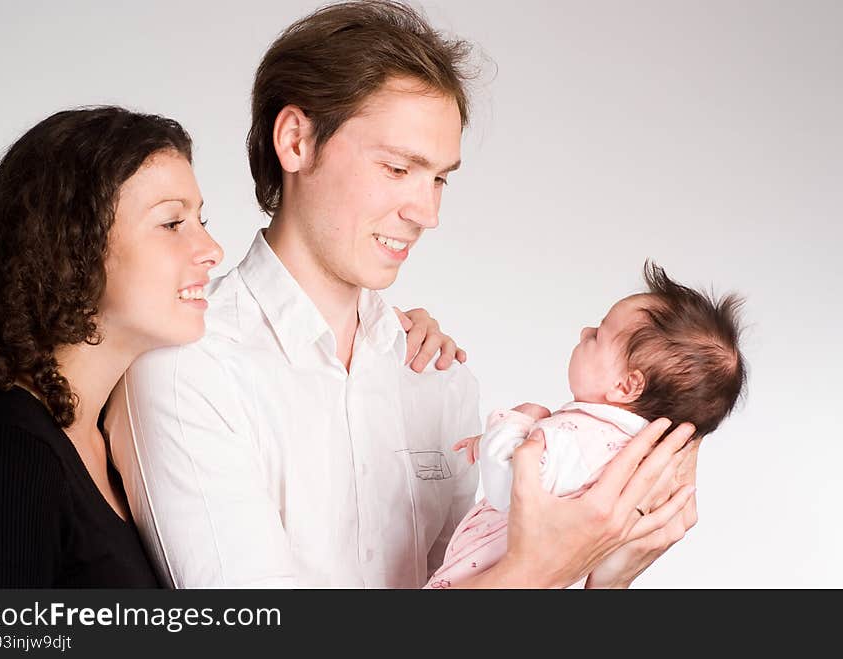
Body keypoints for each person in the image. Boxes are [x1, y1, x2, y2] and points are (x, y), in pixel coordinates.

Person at [106, 0, 699, 589]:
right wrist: (537, 570)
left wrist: (607, 578)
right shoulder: (188, 369)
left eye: (439, 177)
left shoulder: (436, 378)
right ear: (295, 142)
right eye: (397, 169)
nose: (428, 212)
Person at [0, 105, 456, 588]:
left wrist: (383, 339)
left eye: (202, 220)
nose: (211, 251)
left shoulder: (98, 435)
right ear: (72, 245)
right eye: (172, 224)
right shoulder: (4, 445)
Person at [426, 262, 747, 588]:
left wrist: (512, 422)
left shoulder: (577, 438)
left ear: (626, 386)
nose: (584, 332)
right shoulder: (638, 462)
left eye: (597, 335)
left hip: (479, 572)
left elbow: (506, 486)